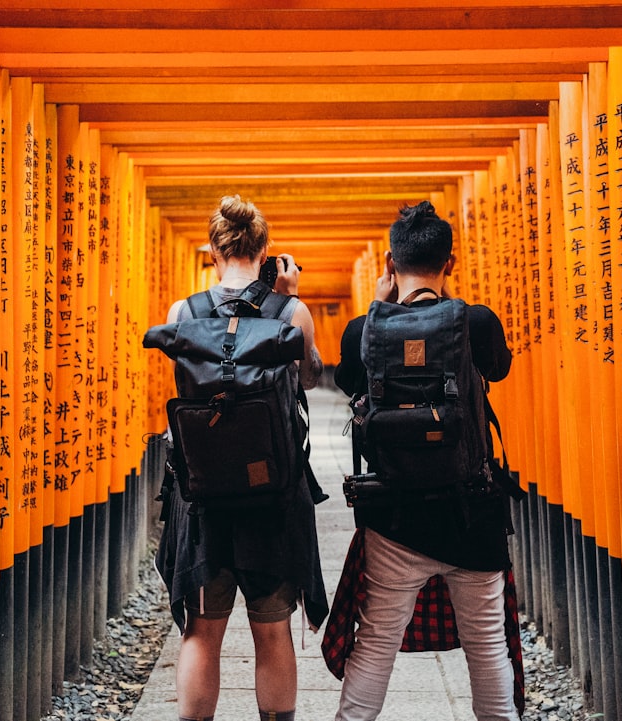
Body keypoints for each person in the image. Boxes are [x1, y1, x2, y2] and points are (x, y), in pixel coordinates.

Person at [331, 201, 518, 721]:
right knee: (487, 645)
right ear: (450, 264)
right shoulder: (475, 322)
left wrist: (376, 308)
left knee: (376, 642)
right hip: (470, 512)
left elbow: (350, 385)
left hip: (394, 516)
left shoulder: (360, 330)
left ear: (389, 263)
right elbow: (497, 370)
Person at [155, 194, 327, 721]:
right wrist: (289, 300)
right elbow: (311, 377)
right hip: (271, 496)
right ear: (266, 251)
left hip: (204, 497)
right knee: (272, 631)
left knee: (201, 631)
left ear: (212, 250)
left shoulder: (184, 312)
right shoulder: (290, 310)